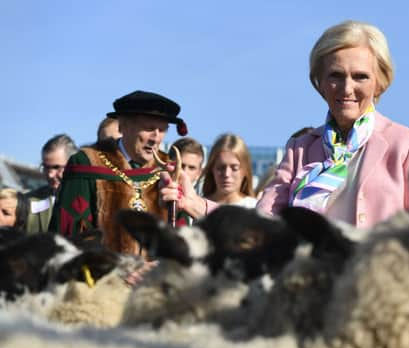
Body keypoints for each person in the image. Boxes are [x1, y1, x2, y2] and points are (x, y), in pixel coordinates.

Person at [161, 21, 409, 224]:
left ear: (380, 82)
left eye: (360, 76)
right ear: (320, 83)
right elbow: (262, 224)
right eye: (335, 75)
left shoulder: (406, 144)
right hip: (310, 290)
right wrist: (197, 204)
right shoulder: (300, 148)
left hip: (377, 292)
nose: (347, 88)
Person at [49, 90, 188, 254]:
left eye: (162, 130)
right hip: (102, 275)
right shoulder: (87, 163)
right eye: (149, 128)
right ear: (123, 126)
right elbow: (70, 238)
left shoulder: (170, 170)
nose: (156, 138)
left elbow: (181, 238)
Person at [24, 134, 78, 233]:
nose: (50, 174)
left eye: (57, 167)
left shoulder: (91, 200)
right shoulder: (26, 201)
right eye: (45, 167)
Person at [200, 133, 257, 208]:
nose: (226, 174)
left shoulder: (254, 208)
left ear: (245, 171)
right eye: (220, 168)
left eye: (234, 168)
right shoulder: (199, 206)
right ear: (212, 169)